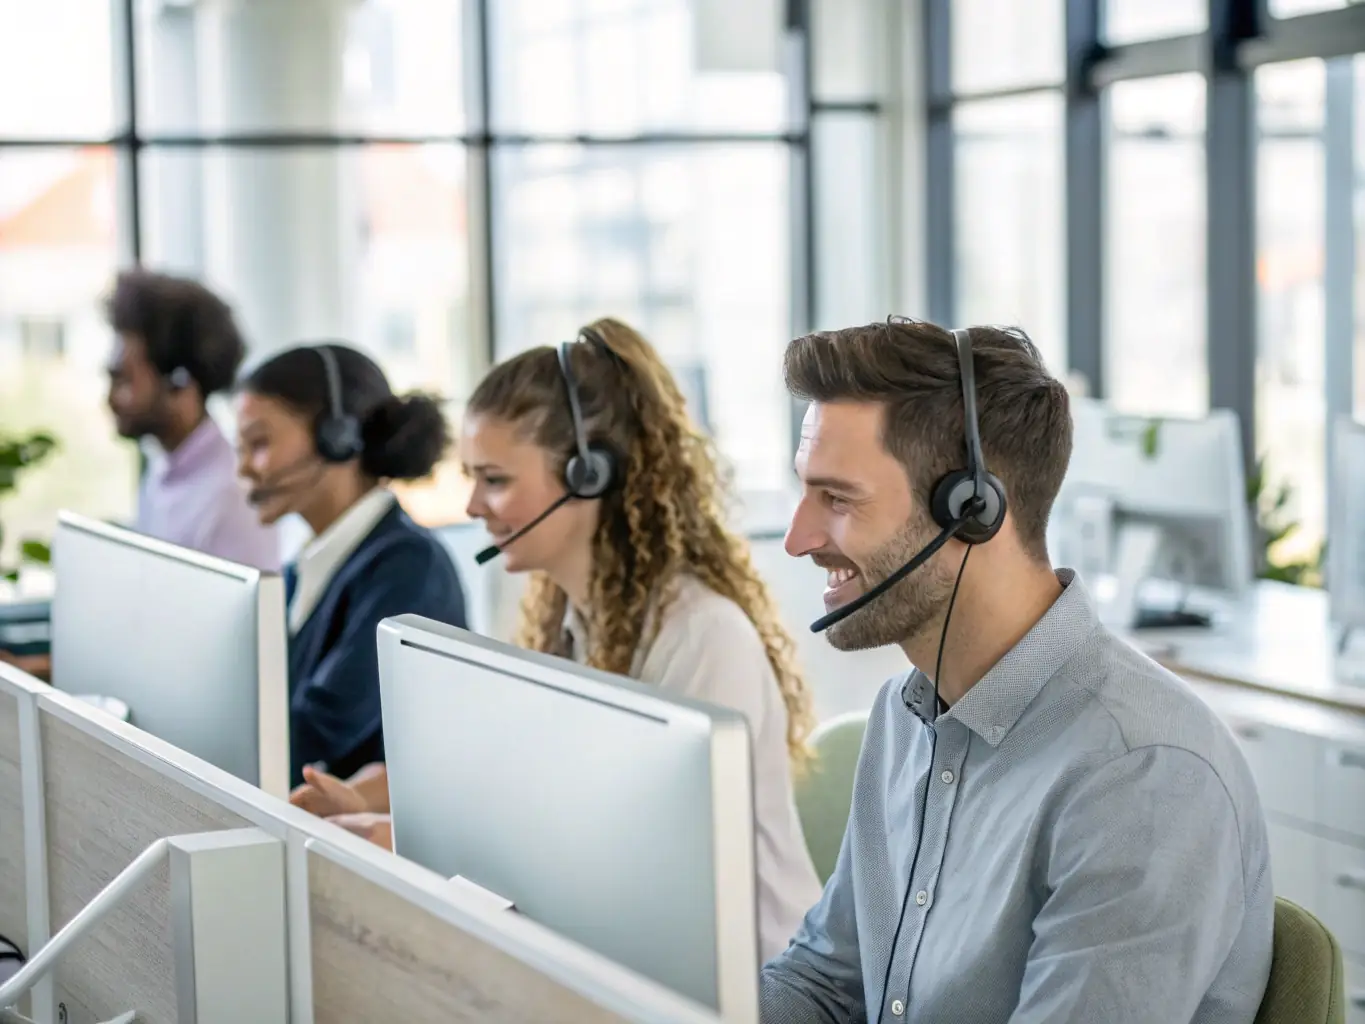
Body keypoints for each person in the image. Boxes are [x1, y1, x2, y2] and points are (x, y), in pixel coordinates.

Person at [761, 319, 1273, 1023]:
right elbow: (824, 984)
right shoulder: (905, 717)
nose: (798, 539)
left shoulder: (1141, 774)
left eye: (837, 499)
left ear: (971, 510)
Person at [292, 318, 824, 963]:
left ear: (588, 475)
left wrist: (400, 840)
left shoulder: (701, 636)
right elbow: (499, 777)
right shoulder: (565, 620)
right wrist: (373, 801)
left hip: (744, 984)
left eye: (495, 480)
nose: (472, 507)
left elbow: (634, 868)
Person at [236, 343, 467, 789]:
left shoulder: (407, 568)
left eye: (259, 443)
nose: (244, 468)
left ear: (337, 436)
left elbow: (311, 736)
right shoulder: (301, 569)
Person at [106, 270, 279, 570]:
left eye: (124, 381)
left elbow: (252, 616)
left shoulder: (232, 499)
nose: (110, 399)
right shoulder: (161, 472)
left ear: (179, 383)